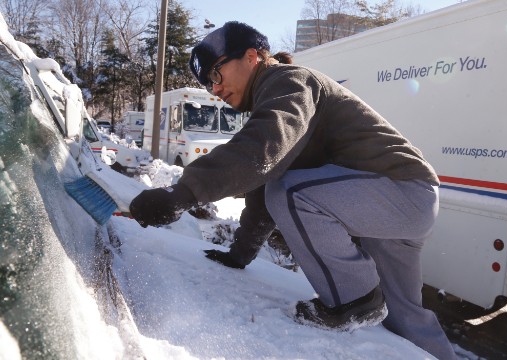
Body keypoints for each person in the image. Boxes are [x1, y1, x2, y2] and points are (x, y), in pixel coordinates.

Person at [129, 21, 457, 360]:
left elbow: (262, 150)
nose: (215, 89)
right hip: (400, 201)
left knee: (291, 193)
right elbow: (265, 175)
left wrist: (182, 193)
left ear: (252, 56)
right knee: (407, 317)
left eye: (215, 74)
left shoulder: (289, 81)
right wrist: (240, 253)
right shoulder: (276, 93)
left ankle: (356, 300)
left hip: (398, 192)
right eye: (208, 84)